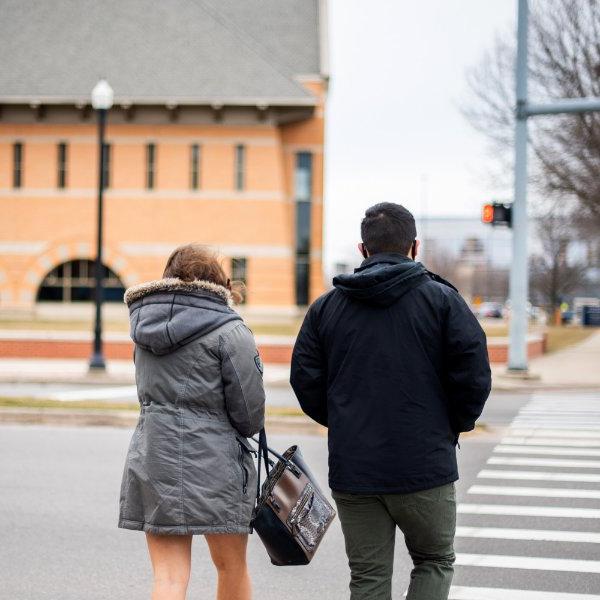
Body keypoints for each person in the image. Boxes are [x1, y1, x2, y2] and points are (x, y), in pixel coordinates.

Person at [290, 203, 491, 600]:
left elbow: (305, 380)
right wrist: (453, 424)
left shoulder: (326, 308)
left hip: (355, 468)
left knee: (368, 578)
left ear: (362, 250)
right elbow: (474, 377)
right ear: (414, 247)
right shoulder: (443, 302)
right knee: (434, 561)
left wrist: (343, 421)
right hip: (425, 464)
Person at [118, 243, 265, 600]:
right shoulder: (231, 332)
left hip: (154, 457)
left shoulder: (144, 329)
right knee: (231, 567)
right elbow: (250, 416)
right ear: (219, 285)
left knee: (168, 578)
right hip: (218, 466)